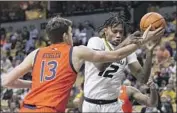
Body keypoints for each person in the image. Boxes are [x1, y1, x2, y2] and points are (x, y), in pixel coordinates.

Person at [2, 16, 163, 112]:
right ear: (66, 36)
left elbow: (7, 81)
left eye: (122, 32)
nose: (119, 35)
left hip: (27, 108)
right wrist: (143, 40)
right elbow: (111, 58)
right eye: (71, 33)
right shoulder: (80, 49)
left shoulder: (35, 53)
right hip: (66, 107)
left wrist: (37, 84)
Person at [83, 14, 164, 112]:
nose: (118, 35)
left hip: (112, 105)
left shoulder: (127, 51)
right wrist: (125, 43)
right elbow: (100, 65)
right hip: (91, 104)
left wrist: (149, 52)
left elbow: (142, 78)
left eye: (121, 32)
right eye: (115, 31)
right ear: (106, 30)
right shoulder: (96, 42)